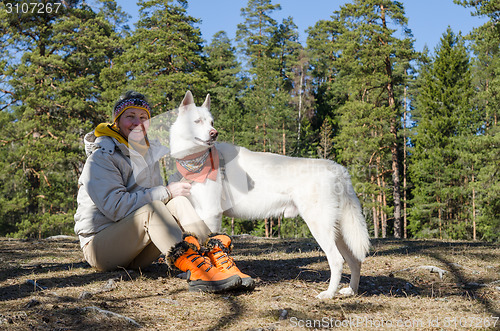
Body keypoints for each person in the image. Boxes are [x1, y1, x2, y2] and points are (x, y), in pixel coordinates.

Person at [74, 91, 254, 292]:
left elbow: (162, 196)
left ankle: (215, 259)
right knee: (156, 208)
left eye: (143, 117)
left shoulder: (149, 154)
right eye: (129, 116)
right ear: (117, 121)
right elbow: (116, 207)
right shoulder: (102, 157)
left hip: (136, 250)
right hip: (100, 248)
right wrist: (167, 191)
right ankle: (199, 273)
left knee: (177, 202)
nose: (137, 122)